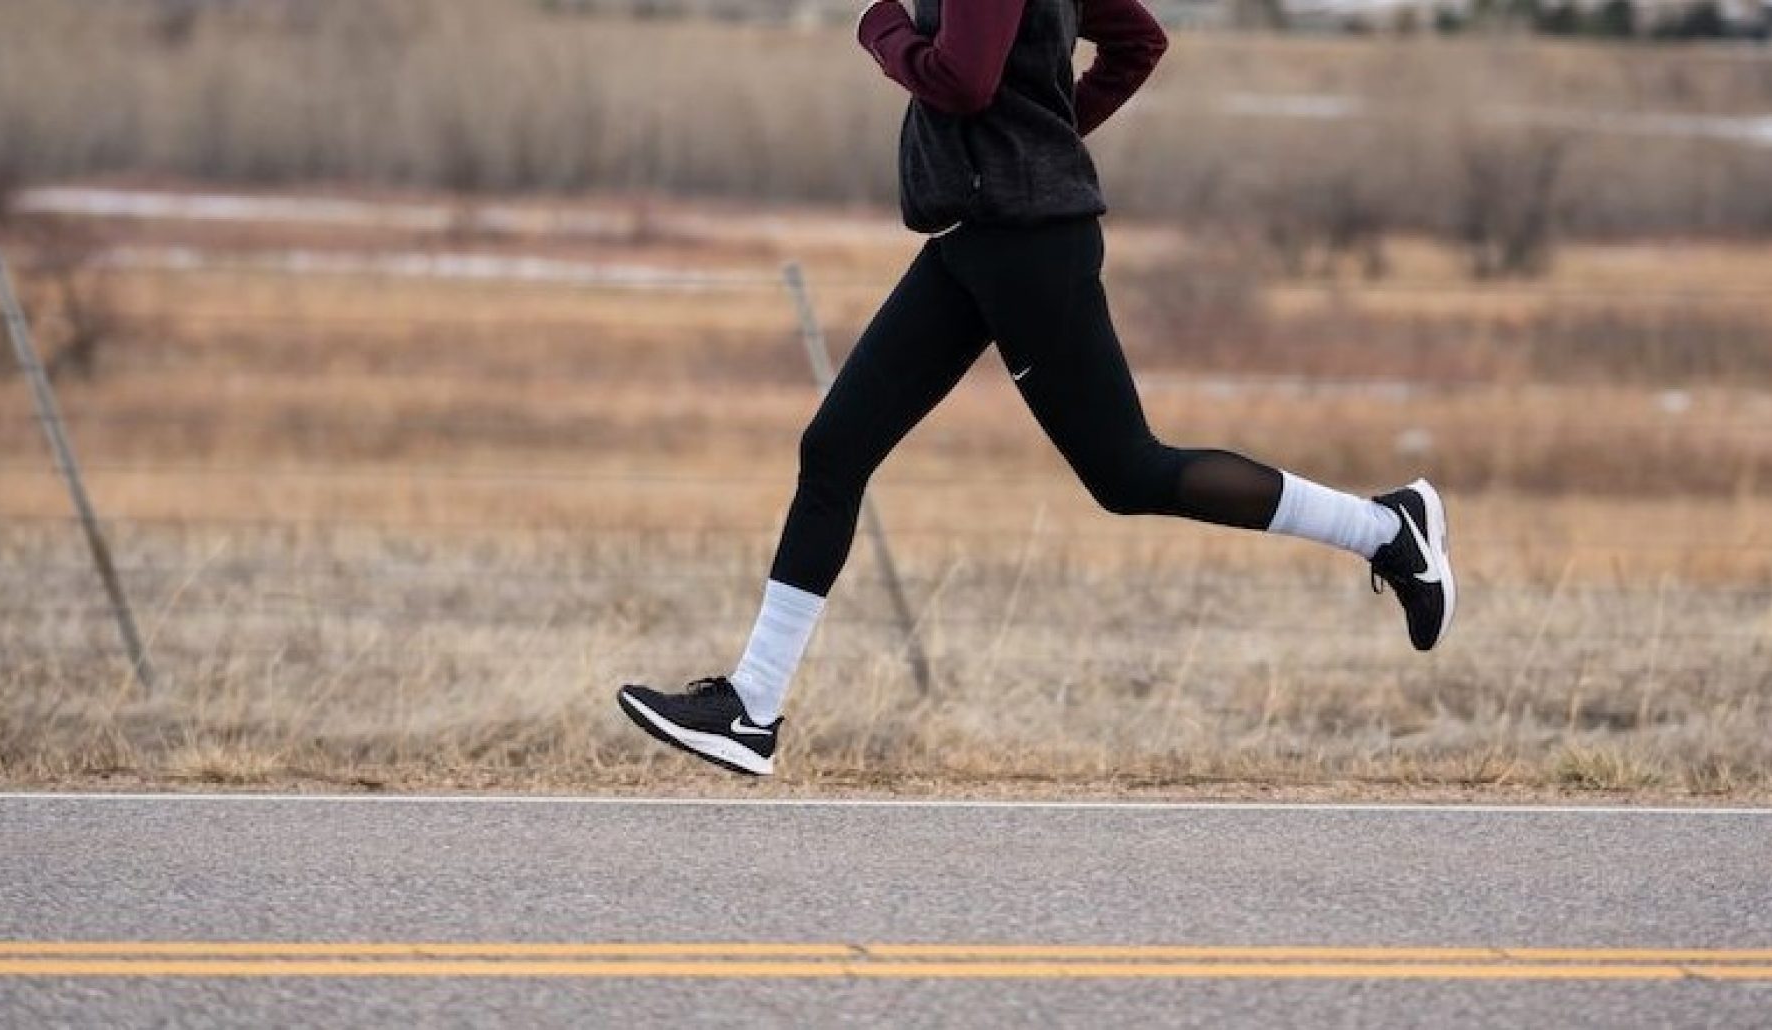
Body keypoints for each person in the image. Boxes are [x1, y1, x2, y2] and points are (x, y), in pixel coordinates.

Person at [617, 0, 1454, 777]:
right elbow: (1136, 42)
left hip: (1024, 244)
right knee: (834, 448)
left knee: (1128, 473)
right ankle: (751, 707)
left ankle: (1386, 528)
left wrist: (881, 31)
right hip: (976, 236)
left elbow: (963, 78)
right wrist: (1046, 143)